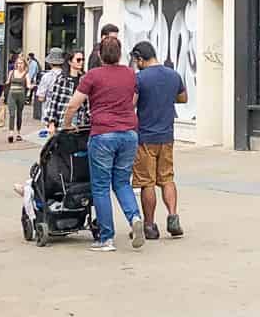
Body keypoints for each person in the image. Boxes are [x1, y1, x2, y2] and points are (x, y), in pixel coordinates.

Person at [61, 33, 144, 251]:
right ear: (119, 55)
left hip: (103, 134)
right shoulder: (130, 74)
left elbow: (73, 105)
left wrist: (67, 125)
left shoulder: (92, 75)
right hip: (129, 133)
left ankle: (106, 238)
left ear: (99, 55)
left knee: (100, 186)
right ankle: (134, 217)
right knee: (122, 182)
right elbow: (133, 100)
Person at [130, 41, 187, 240]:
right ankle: (173, 217)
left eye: (135, 60)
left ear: (140, 58)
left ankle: (149, 226)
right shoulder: (173, 75)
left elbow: (131, 104)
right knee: (167, 179)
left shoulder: (140, 78)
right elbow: (183, 98)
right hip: (167, 136)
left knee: (147, 183)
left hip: (145, 137)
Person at [0, 53, 30, 143]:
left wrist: (31, 86)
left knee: (19, 114)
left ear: (24, 64)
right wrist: (3, 89)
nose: (19, 65)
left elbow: (28, 84)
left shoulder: (26, 74)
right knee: (12, 114)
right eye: (17, 63)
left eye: (21, 63)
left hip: (21, 95)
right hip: (11, 94)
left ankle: (19, 133)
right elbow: (8, 82)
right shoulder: (12, 72)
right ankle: (11, 133)